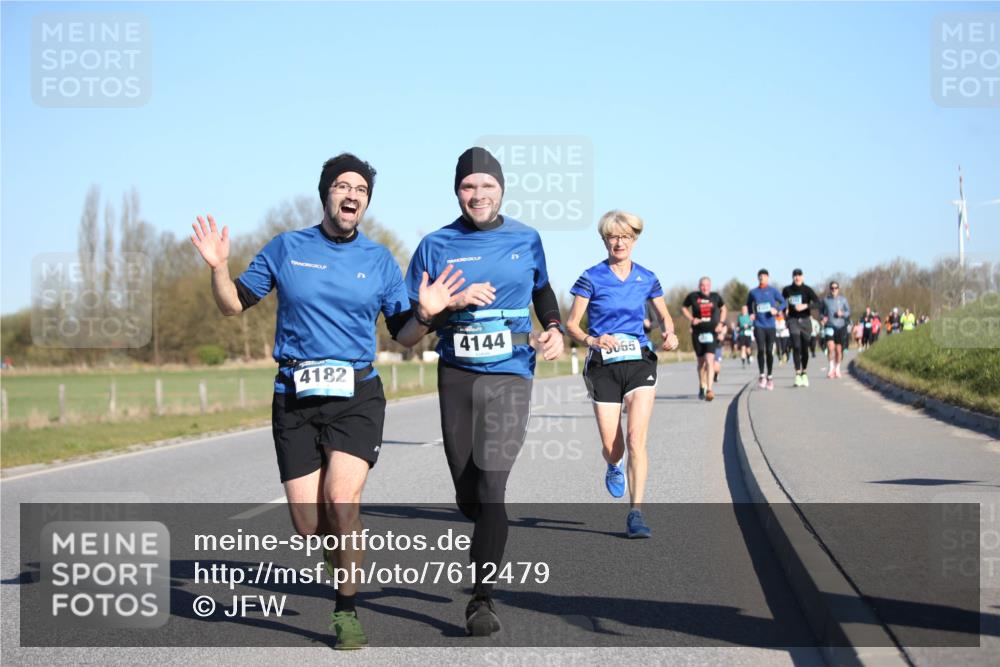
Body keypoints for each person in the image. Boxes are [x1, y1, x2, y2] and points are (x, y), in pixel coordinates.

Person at [191, 153, 464, 649]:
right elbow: (233, 304)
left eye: (360, 189)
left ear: (366, 203)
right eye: (342, 185)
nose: (351, 194)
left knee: (343, 502)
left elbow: (403, 336)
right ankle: (336, 544)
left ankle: (346, 609)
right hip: (294, 396)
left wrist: (427, 315)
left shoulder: (379, 260)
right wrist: (218, 268)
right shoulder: (286, 248)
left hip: (356, 395)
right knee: (308, 524)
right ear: (326, 195)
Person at [404, 147, 564, 636]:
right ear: (458, 192)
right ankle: (477, 515)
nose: (478, 194)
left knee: (493, 486)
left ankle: (481, 599)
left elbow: (541, 290)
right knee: (468, 490)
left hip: (511, 372)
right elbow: (410, 323)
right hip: (457, 373)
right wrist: (447, 304)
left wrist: (554, 325)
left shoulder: (526, 238)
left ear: (502, 189)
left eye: (487, 185)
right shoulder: (435, 244)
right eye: (469, 187)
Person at [566, 210, 679, 539]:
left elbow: (664, 318)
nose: (619, 242)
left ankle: (636, 513)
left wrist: (669, 334)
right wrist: (593, 339)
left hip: (639, 362)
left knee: (635, 440)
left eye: (626, 237)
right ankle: (613, 465)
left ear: (635, 240)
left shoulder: (647, 277)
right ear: (604, 240)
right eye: (613, 237)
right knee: (613, 446)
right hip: (603, 366)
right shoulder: (591, 277)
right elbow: (572, 324)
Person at [682, 277, 727, 401]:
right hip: (697, 333)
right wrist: (691, 319)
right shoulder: (693, 296)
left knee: (710, 360)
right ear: (699, 286)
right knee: (701, 363)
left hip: (711, 332)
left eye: (707, 285)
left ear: (710, 286)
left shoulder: (715, 297)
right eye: (702, 285)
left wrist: (721, 323)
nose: (705, 287)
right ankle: (702, 385)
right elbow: (684, 308)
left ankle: (709, 389)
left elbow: (724, 309)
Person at [746, 269, 786, 390]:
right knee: (761, 350)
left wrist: (777, 310)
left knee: (769, 351)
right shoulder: (753, 292)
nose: (762, 278)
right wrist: (751, 313)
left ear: (768, 278)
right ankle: (762, 375)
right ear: (758, 278)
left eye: (764, 276)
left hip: (770, 325)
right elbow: (748, 304)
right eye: (760, 276)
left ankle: (770, 377)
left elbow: (784, 302)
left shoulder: (773, 291)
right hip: (759, 324)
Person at [781, 268, 820, 387]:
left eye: (799, 275)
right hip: (793, 320)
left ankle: (804, 372)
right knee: (796, 346)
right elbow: (782, 302)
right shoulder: (787, 290)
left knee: (804, 348)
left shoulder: (807, 290)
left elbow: (818, 302)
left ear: (802, 277)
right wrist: (785, 311)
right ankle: (797, 374)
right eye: (795, 275)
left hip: (806, 320)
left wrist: (805, 305)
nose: (797, 277)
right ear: (792, 277)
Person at [820, 281, 850, 378]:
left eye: (836, 288)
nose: (834, 290)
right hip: (829, 325)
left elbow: (848, 311)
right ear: (830, 289)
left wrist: (843, 314)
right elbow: (821, 312)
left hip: (840, 326)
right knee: (830, 347)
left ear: (838, 289)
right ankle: (831, 368)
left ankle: (837, 368)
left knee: (838, 350)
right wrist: (822, 318)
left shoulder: (843, 300)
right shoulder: (825, 300)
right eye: (832, 288)